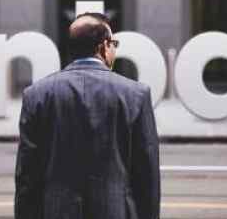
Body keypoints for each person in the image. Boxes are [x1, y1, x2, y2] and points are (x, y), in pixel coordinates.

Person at [14, 12, 160, 219]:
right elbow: (147, 177)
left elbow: (27, 176)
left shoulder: (37, 95)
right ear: (103, 46)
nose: (114, 51)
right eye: (114, 44)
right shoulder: (135, 95)